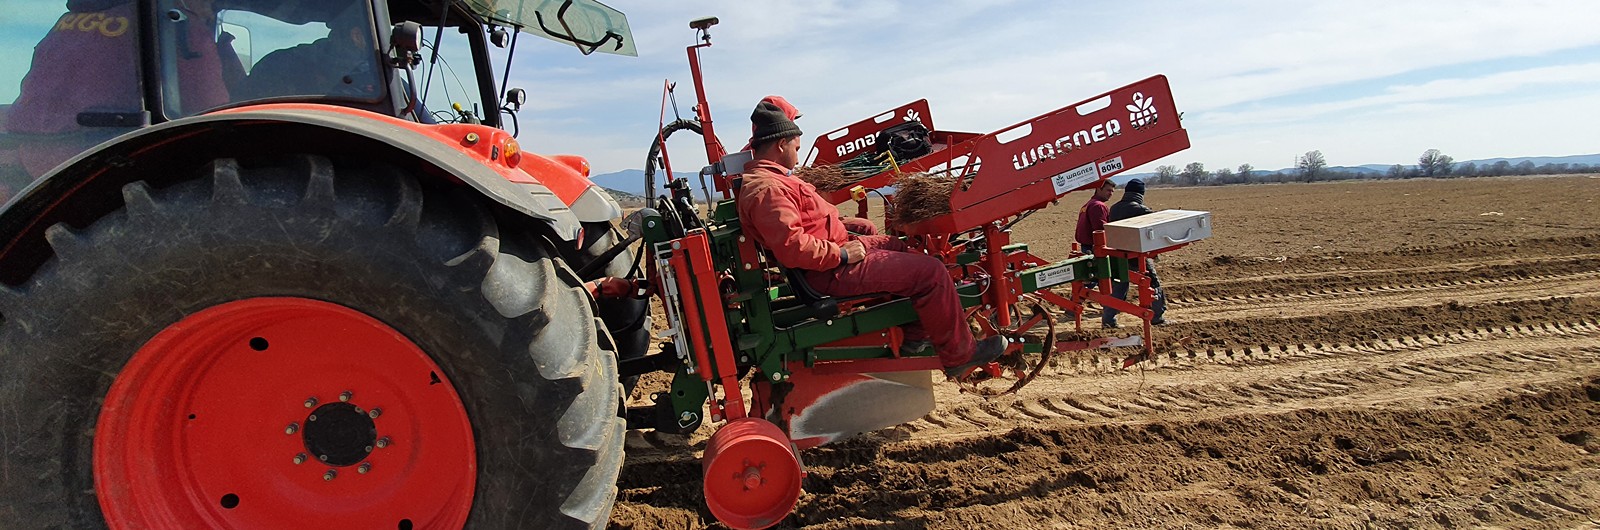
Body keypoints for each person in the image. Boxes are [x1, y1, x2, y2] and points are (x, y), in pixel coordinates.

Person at [735, 98, 1006, 379]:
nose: (797, 154)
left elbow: (803, 225)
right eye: (796, 147)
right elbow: (793, 248)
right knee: (933, 273)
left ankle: (913, 333)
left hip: (831, 258)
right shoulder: (768, 189)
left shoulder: (772, 179)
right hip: (829, 270)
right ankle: (959, 355)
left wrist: (842, 226)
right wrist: (842, 255)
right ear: (781, 145)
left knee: (896, 246)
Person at [237, 8, 379, 101]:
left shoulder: (280, 60)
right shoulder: (366, 75)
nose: (379, 48)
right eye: (375, 36)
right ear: (357, 36)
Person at [1102, 178, 1168, 327]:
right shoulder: (1141, 210)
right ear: (1141, 194)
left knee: (1118, 286)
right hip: (1136, 257)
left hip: (1116, 255)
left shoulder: (1114, 208)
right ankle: (1157, 317)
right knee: (1153, 282)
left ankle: (1108, 320)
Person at [1074, 179, 1115, 252]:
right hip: (1094, 247)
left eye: (1112, 191)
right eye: (1108, 190)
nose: (1111, 193)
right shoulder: (1098, 205)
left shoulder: (1088, 204)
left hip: (1086, 246)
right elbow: (1100, 228)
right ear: (1099, 189)